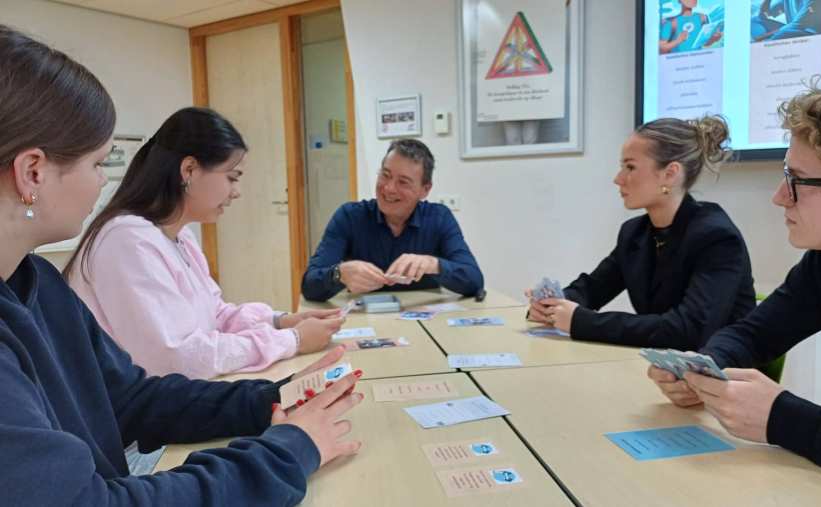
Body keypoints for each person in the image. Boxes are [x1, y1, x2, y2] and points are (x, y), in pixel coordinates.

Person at [0, 25, 362, 505]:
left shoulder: (38, 282)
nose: (103, 181)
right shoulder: (124, 238)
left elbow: (131, 398)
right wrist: (287, 452)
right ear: (32, 172)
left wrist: (272, 397)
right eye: (98, 164)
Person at [648, 68, 821, 490]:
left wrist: (782, 419)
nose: (779, 197)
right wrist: (706, 369)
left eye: (796, 182)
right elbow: (754, 334)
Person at [66, 107, 344, 379]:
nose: (236, 192)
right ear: (189, 170)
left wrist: (279, 321)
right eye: (232, 178)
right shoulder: (128, 240)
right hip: (129, 404)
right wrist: (292, 340)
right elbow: (177, 357)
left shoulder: (179, 236)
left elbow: (216, 316)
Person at [529, 116, 756, 350]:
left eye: (630, 167)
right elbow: (593, 288)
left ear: (670, 174)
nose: (618, 179)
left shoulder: (717, 237)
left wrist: (581, 321)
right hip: (665, 363)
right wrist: (553, 304)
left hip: (720, 367)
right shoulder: (634, 232)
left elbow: (688, 330)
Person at [301, 139, 484, 301]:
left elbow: (475, 281)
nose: (389, 188)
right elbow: (309, 286)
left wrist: (434, 264)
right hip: (364, 317)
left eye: (403, 182)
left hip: (424, 317)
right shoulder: (349, 216)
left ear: (425, 189)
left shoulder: (439, 218)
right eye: (385, 175)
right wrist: (339, 274)